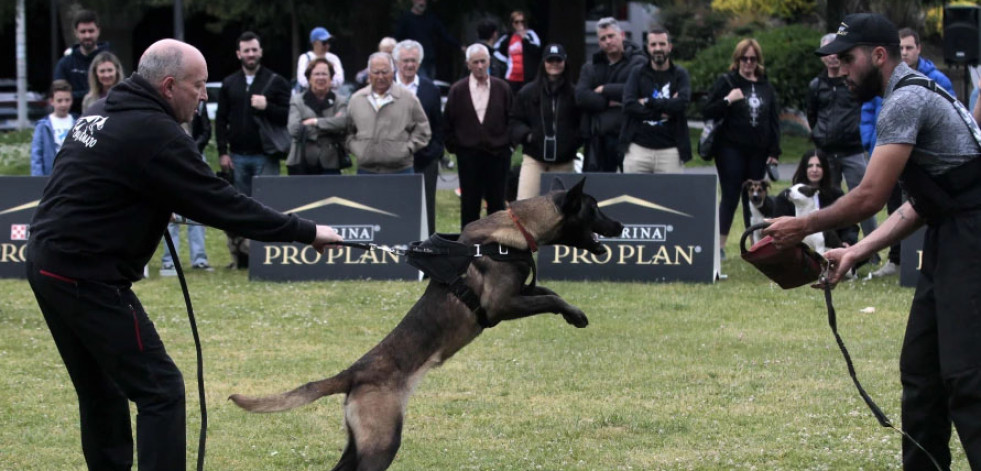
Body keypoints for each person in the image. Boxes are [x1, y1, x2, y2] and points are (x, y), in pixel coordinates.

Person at [26, 38, 342, 471]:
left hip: (47, 262)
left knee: (101, 389)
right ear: (170, 85)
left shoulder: (103, 111)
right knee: (161, 390)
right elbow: (224, 204)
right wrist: (308, 231)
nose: (205, 96)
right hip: (85, 275)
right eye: (199, 86)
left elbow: (104, 181)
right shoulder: (154, 133)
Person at [765, 14, 981, 470]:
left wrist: (802, 226)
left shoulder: (905, 101)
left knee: (967, 376)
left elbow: (870, 196)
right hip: (951, 232)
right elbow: (925, 202)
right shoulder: (912, 94)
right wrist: (859, 250)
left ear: (878, 55)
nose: (838, 69)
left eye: (846, 58)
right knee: (921, 374)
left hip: (973, 239)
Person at [866, 27, 958, 278]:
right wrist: (868, 140)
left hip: (922, 161)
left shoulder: (936, 80)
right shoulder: (883, 80)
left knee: (920, 206)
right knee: (895, 204)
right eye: (901, 47)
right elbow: (869, 112)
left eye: (909, 47)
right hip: (888, 153)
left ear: (919, 49)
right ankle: (895, 260)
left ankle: (921, 261)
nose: (905, 52)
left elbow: (952, 118)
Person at [702, 38, 781, 259]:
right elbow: (706, 110)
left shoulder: (765, 86)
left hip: (759, 150)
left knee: (755, 197)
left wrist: (774, 152)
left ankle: (755, 245)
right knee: (730, 195)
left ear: (758, 61)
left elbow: (774, 120)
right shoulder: (727, 82)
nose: (748, 63)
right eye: (744, 58)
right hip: (730, 148)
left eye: (752, 59)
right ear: (737, 60)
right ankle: (719, 246)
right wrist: (728, 99)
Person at [807, 33, 879, 246]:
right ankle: (834, 245)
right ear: (822, 57)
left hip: (853, 150)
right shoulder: (815, 85)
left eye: (835, 52)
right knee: (829, 202)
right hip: (826, 153)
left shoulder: (853, 82)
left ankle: (871, 248)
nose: (832, 57)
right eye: (827, 53)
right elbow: (812, 115)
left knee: (864, 202)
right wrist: (820, 135)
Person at [444, 43, 513, 230]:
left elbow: (511, 119)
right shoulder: (458, 90)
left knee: (497, 203)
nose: (480, 66)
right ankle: (469, 247)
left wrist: (507, 143)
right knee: (469, 203)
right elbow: (448, 123)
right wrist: (457, 147)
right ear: (468, 64)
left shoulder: (502, 88)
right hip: (468, 156)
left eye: (483, 61)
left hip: (498, 154)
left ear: (489, 62)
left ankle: (497, 245)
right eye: (476, 62)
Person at [216, 31, 291, 197]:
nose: (251, 54)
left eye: (254, 50)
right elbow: (221, 120)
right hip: (236, 156)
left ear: (261, 51)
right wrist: (222, 152)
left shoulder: (276, 81)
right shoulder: (229, 83)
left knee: (269, 204)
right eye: (246, 50)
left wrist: (267, 107)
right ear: (238, 54)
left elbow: (288, 116)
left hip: (266, 156)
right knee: (240, 207)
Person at [509, 43, 581, 200]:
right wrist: (527, 136)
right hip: (534, 158)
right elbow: (514, 120)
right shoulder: (527, 92)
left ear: (565, 62)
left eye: (558, 60)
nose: (554, 64)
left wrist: (572, 142)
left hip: (564, 160)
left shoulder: (575, 94)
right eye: (550, 60)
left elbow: (582, 123)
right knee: (526, 205)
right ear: (543, 63)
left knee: (562, 210)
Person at [575, 17, 647, 173]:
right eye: (603, 38)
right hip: (598, 139)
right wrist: (609, 102)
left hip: (631, 137)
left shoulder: (639, 62)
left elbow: (640, 89)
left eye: (611, 36)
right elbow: (581, 96)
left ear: (621, 35)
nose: (608, 41)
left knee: (631, 190)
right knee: (598, 191)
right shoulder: (591, 67)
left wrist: (605, 89)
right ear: (599, 43)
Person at [620, 26, 692, 174]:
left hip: (671, 151)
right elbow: (629, 105)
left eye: (662, 44)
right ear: (647, 48)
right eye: (653, 45)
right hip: (637, 150)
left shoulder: (680, 74)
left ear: (670, 47)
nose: (658, 48)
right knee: (631, 196)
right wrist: (660, 113)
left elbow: (682, 103)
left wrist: (648, 102)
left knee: (670, 197)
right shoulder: (637, 73)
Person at [346, 52, 431, 175]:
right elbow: (348, 131)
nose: (380, 77)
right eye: (376, 72)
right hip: (366, 170)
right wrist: (357, 148)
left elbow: (423, 130)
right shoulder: (357, 99)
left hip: (401, 170)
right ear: (369, 74)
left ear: (393, 72)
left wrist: (406, 149)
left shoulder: (408, 98)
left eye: (385, 72)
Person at [394, 40, 444, 235]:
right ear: (397, 62)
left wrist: (434, 152)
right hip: (393, 160)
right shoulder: (387, 87)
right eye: (405, 60)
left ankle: (427, 250)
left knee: (426, 207)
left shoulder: (430, 89)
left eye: (413, 60)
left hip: (425, 160)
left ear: (419, 63)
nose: (409, 65)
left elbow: (439, 126)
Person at [160, 100, 214, 276]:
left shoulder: (200, 102)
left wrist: (191, 150)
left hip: (195, 157)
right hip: (169, 159)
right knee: (170, 212)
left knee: (198, 211)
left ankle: (199, 259)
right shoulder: (162, 106)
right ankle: (169, 262)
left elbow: (206, 130)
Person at [774, 149, 859, 247]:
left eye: (819, 166)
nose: (814, 170)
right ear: (804, 169)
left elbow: (850, 224)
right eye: (810, 166)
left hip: (831, 246)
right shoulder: (786, 197)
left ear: (825, 169)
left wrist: (848, 242)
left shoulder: (836, 194)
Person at [287, 58, 349, 176]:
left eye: (325, 74)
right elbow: (294, 129)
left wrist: (314, 122)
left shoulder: (340, 101)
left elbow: (342, 123)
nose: (321, 78)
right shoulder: (297, 100)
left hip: (330, 162)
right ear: (309, 78)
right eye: (316, 74)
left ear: (331, 78)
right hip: (301, 161)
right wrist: (330, 127)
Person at [54, 10, 111, 115]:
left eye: (91, 31)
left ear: (98, 31)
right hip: (74, 118)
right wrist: (94, 93)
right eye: (83, 31)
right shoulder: (65, 63)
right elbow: (59, 94)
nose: (87, 35)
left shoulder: (110, 60)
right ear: (76, 32)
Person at [394, 0, 461, 80]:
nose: (422, 3)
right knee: (424, 82)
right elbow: (398, 38)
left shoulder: (431, 18)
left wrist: (459, 46)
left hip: (430, 58)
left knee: (429, 84)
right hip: (415, 59)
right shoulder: (405, 19)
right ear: (413, 1)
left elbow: (444, 34)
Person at [30, 80, 76, 176]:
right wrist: (37, 181)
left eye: (67, 100)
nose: (64, 104)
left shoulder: (77, 124)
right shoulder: (43, 126)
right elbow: (36, 157)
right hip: (51, 175)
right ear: (51, 101)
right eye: (59, 101)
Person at [493, 10, 542, 95]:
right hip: (511, 76)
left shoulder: (531, 34)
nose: (520, 25)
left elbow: (537, 49)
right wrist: (505, 61)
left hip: (527, 76)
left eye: (522, 22)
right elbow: (495, 50)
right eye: (517, 22)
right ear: (512, 24)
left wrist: (524, 38)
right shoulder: (508, 37)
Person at [295, 27, 345, 92]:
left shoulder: (334, 58)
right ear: (314, 43)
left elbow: (340, 79)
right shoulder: (305, 58)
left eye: (329, 42)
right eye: (324, 42)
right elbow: (302, 79)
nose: (327, 45)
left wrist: (323, 84)